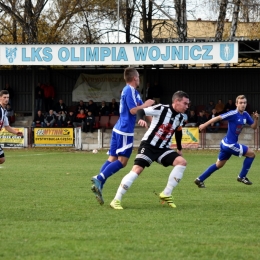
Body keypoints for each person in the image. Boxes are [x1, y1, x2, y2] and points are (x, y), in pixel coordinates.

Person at [110, 91, 189, 209]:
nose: (187, 106)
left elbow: (178, 131)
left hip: (163, 149)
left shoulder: (181, 117)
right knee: (137, 170)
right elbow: (141, 111)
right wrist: (140, 119)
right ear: (176, 101)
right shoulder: (161, 108)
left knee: (181, 162)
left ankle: (166, 193)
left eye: (188, 104)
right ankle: (116, 200)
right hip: (148, 146)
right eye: (185, 103)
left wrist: (179, 148)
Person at [91, 67, 154, 205]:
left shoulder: (134, 92)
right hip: (125, 130)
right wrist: (146, 104)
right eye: (138, 77)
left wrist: (145, 118)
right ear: (135, 78)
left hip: (119, 128)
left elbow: (137, 110)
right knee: (123, 162)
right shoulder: (129, 90)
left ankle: (99, 185)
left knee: (112, 158)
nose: (139, 79)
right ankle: (100, 178)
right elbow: (133, 110)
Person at [194, 95, 258, 188]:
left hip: (226, 143)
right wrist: (204, 124)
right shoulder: (233, 113)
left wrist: (256, 119)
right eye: (240, 103)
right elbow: (218, 117)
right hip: (229, 144)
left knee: (219, 165)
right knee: (251, 154)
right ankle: (242, 176)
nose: (243, 105)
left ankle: (199, 179)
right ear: (236, 104)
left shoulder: (246, 115)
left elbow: (254, 127)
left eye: (244, 103)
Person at [0, 90, 23, 165]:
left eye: (8, 97)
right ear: (0, 98)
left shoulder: (4, 111)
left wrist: (16, 132)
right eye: (4, 97)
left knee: (2, 159)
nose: (6, 99)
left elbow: (6, 126)